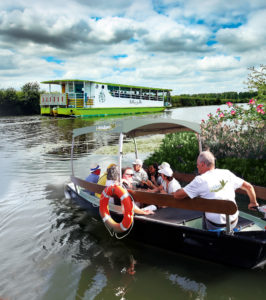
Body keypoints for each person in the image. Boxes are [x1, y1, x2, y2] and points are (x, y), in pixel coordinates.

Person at [173, 151, 259, 230]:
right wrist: (253, 202)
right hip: (233, 222)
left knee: (204, 213)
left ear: (203, 164)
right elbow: (249, 187)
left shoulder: (200, 180)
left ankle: (207, 237)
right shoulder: (226, 173)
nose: (197, 166)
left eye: (197, 164)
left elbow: (177, 195)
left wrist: (182, 189)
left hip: (215, 225)